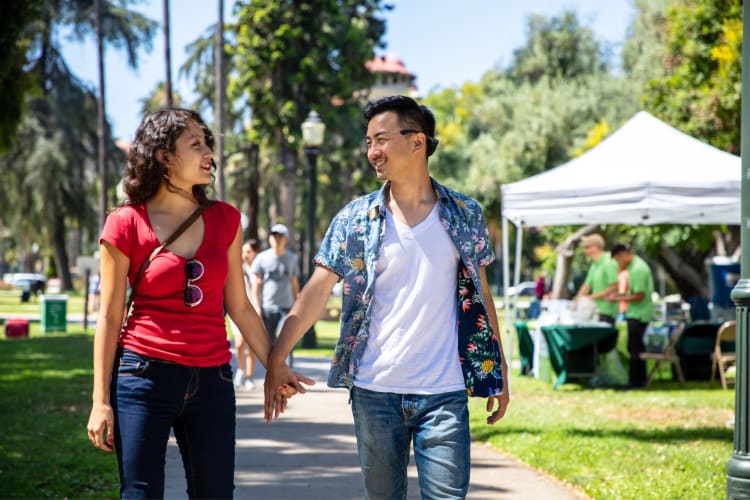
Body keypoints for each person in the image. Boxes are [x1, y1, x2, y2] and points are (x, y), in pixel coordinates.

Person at [264, 95, 510, 499]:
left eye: (380, 140)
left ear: (417, 141)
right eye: (367, 143)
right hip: (375, 391)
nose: (372, 152)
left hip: (444, 391)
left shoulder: (465, 214)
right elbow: (315, 292)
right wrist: (277, 357)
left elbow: (480, 296)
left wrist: (496, 368)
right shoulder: (355, 218)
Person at [85, 108, 312, 498]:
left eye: (208, 143)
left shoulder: (226, 220)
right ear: (163, 157)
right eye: (196, 144)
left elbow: (240, 307)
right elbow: (108, 316)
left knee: (216, 493)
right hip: (142, 377)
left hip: (213, 379)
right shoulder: (125, 222)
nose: (209, 152)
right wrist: (99, 400)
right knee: (139, 492)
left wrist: (275, 365)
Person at [607, 243, 654, 388]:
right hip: (635, 313)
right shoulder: (632, 268)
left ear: (622, 255)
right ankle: (638, 380)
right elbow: (633, 292)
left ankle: (636, 381)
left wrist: (618, 298)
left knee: (635, 349)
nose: (618, 264)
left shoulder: (638, 269)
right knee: (634, 347)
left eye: (617, 260)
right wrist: (618, 295)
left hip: (639, 314)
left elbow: (639, 296)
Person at [249, 223, 299, 344]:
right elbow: (257, 284)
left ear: (285, 239)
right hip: (268, 307)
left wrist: (297, 305)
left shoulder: (292, 258)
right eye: (274, 236)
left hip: (286, 308)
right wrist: (257, 306)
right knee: (268, 343)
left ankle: (284, 363)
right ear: (270, 238)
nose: (277, 240)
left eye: (280, 237)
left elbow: (294, 282)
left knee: (285, 341)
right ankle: (271, 363)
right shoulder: (262, 258)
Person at [230, 239, 261, 390]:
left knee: (251, 344)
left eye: (248, 252)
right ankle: (241, 370)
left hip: (254, 311)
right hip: (237, 309)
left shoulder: (259, 270)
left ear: (256, 253)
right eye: (243, 251)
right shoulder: (238, 269)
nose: (245, 255)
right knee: (239, 343)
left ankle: (249, 376)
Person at [572, 234, 619, 325]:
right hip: (595, 311)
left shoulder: (608, 262)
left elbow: (614, 286)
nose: (584, 250)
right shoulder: (594, 265)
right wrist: (577, 302)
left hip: (607, 311)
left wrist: (590, 297)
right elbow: (587, 285)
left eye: (587, 247)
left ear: (595, 247)